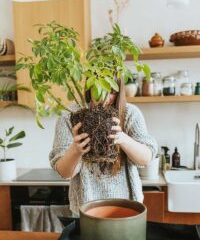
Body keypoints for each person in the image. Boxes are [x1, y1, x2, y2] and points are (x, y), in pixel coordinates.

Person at [49, 80, 157, 216]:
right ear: (89, 87)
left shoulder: (130, 113)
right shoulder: (70, 116)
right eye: (100, 89)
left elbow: (146, 159)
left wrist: (122, 138)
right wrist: (76, 150)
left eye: (111, 92)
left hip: (127, 206)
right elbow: (64, 173)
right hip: (84, 209)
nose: (105, 97)